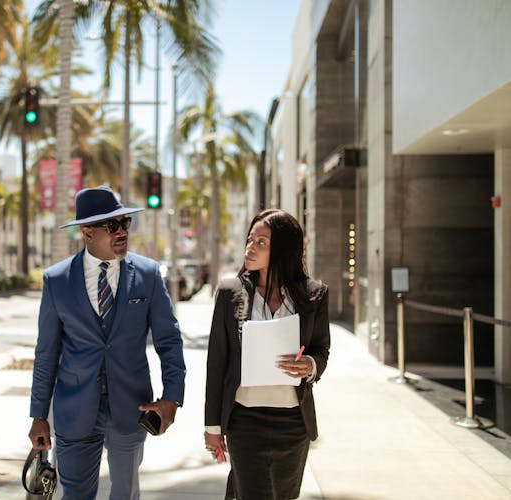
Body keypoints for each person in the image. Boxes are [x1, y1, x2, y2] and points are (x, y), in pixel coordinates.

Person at [28, 185, 186, 500]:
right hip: (74, 411)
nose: (122, 231)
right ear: (88, 232)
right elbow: (47, 353)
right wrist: (39, 415)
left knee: (125, 493)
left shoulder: (148, 274)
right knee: (75, 495)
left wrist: (172, 398)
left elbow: (169, 341)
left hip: (131, 408)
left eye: (125, 222)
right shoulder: (57, 280)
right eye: (112, 225)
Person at [204, 209, 331, 499]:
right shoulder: (229, 292)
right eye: (250, 239)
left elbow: (321, 349)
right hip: (244, 420)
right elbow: (217, 364)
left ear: (283, 249)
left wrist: (309, 365)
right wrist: (213, 426)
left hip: (293, 423)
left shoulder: (314, 294)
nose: (251, 247)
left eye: (262, 242)